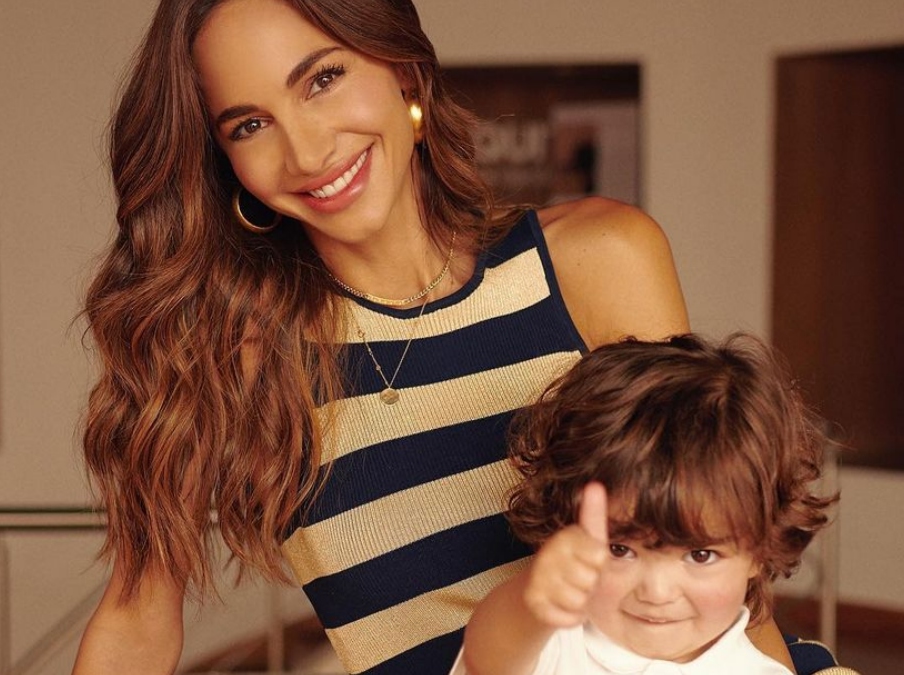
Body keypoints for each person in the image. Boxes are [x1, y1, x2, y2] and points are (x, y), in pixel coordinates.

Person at [70, 1, 800, 673]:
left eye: (323, 79)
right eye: (249, 125)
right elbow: (137, 623)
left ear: (403, 68)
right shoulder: (229, 358)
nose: (308, 152)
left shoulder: (600, 259)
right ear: (224, 160)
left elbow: (719, 560)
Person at [455, 334, 842, 675]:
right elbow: (489, 655)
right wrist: (531, 601)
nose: (657, 592)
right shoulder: (553, 640)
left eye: (700, 555)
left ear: (760, 550)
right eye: (620, 549)